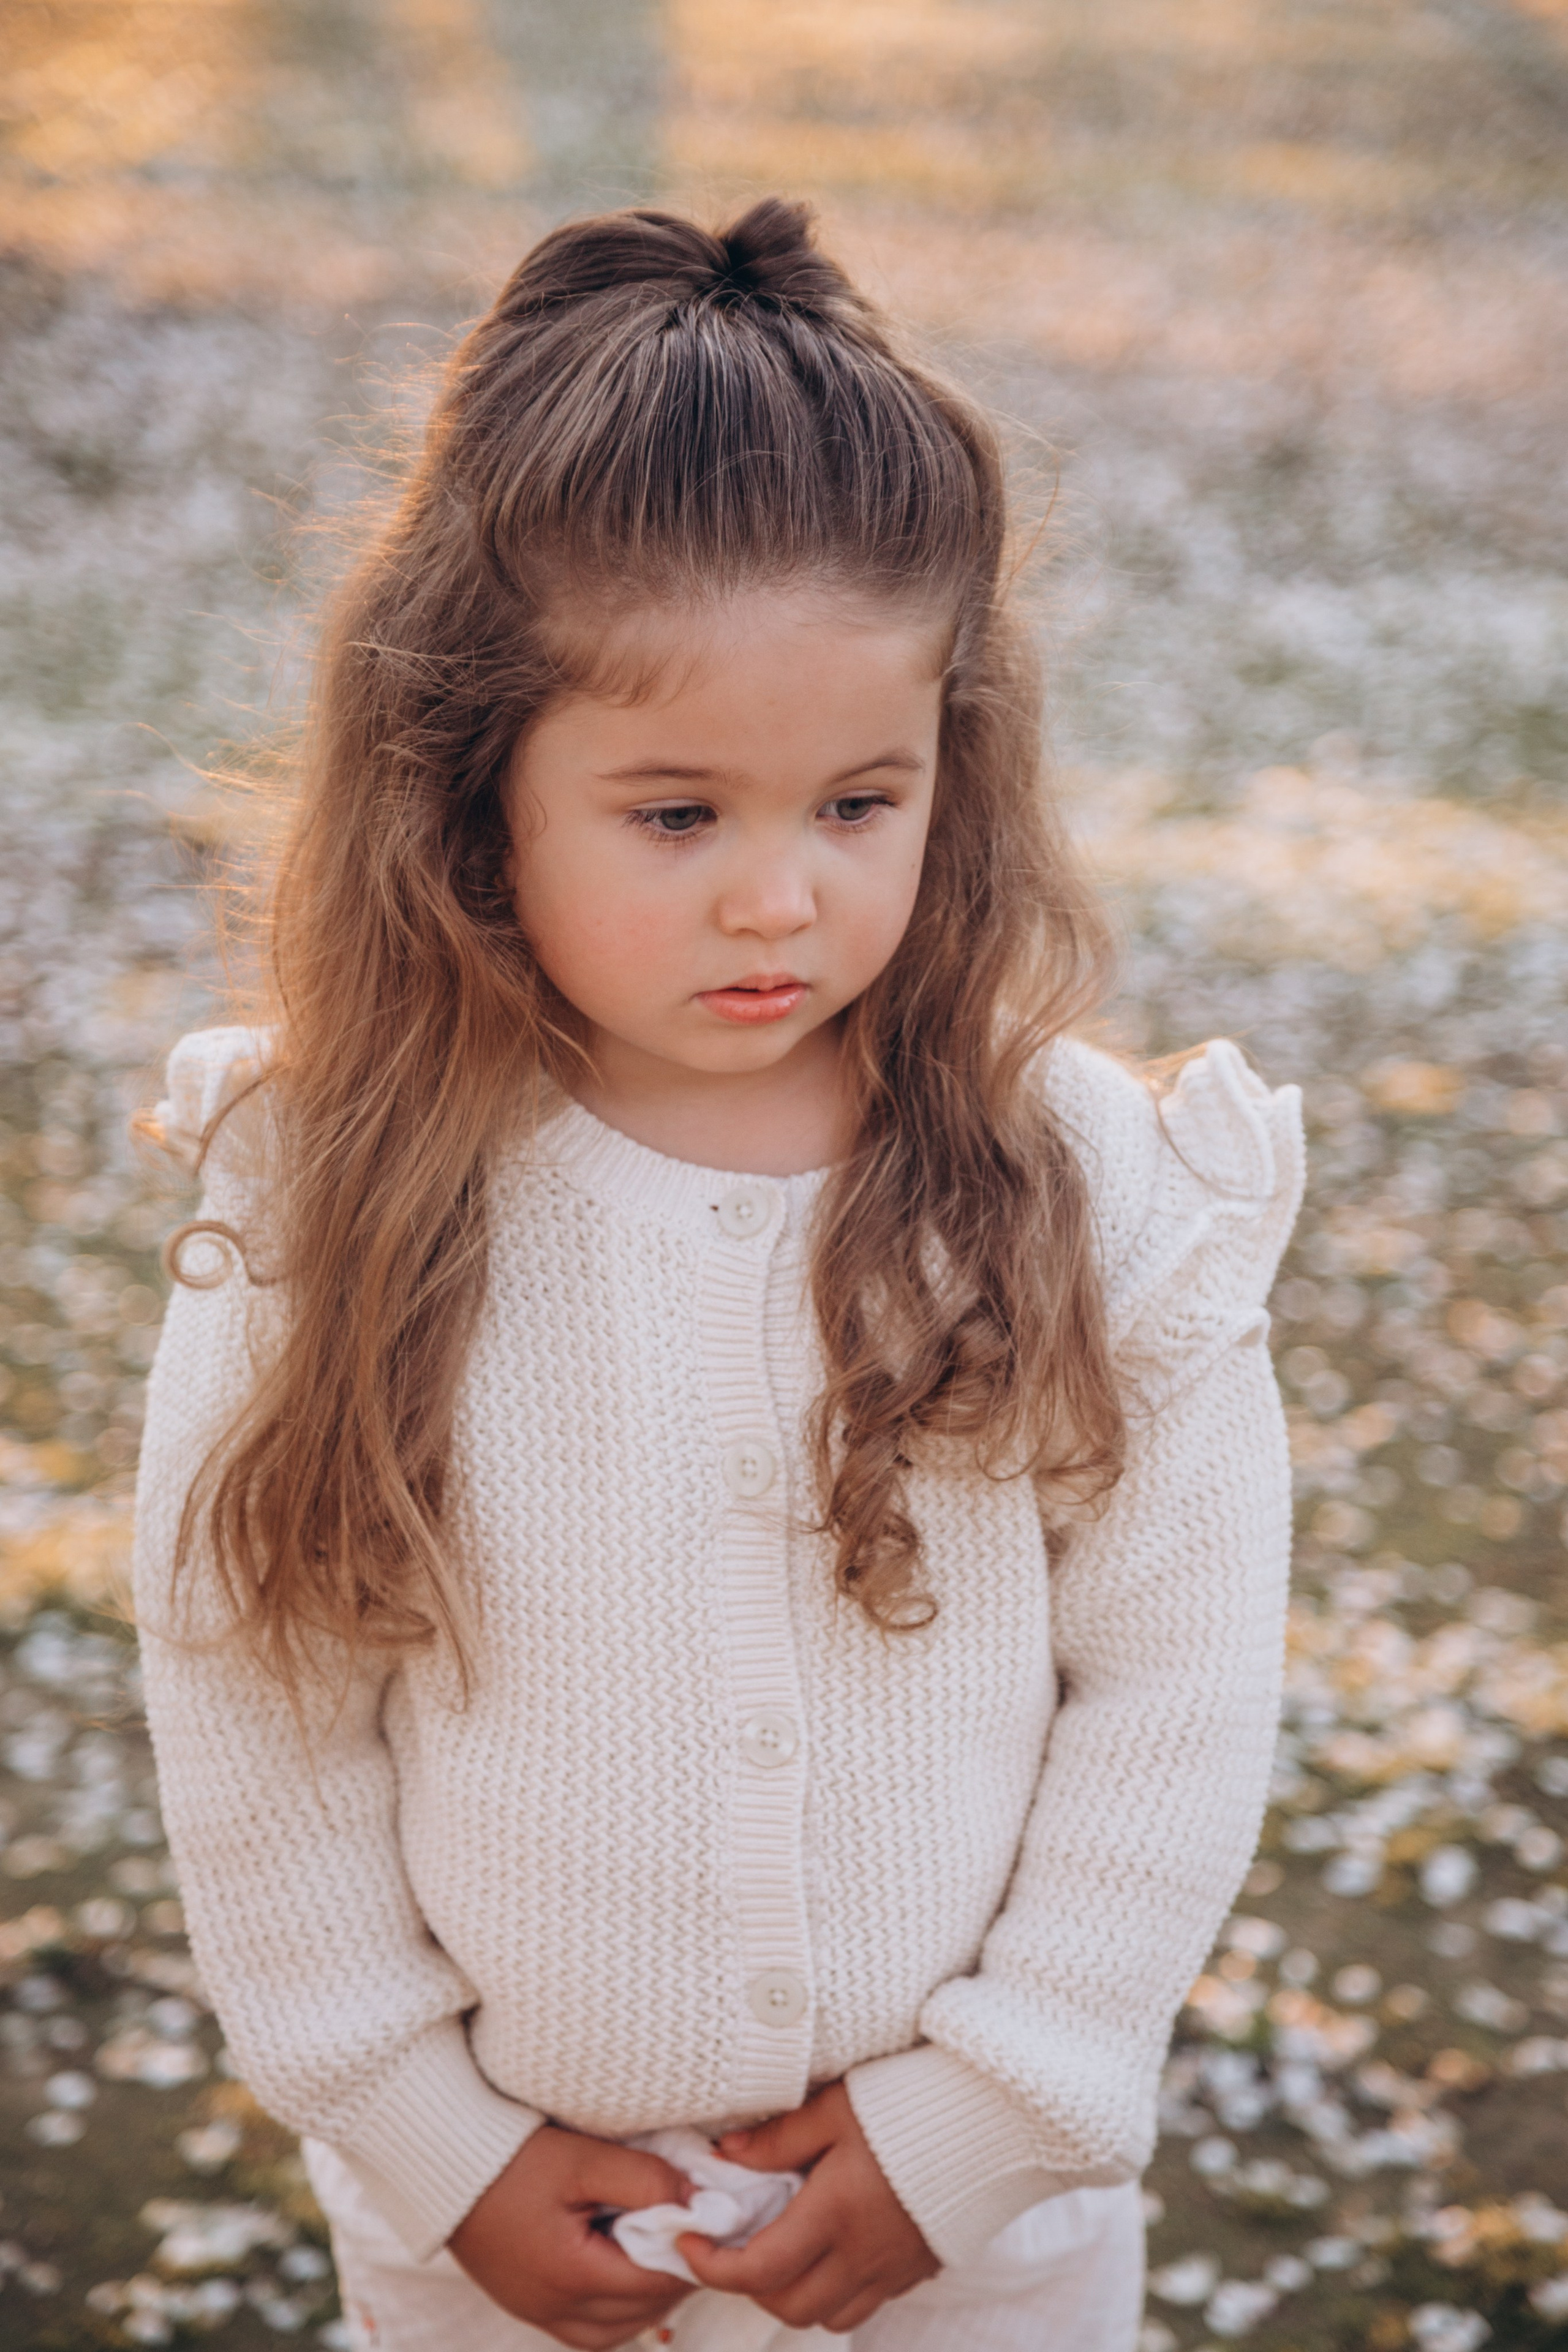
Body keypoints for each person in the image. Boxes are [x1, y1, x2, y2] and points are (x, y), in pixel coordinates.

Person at [132, 197, 1304, 2352]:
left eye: (861, 801)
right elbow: (249, 1678)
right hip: (497, 2233)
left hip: (975, 2244)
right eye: (676, 817)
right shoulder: (339, 1188)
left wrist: (995, 2112)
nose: (783, 901)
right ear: (475, 795)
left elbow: (1181, 1679)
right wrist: (419, 2126)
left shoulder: (1082, 1183)